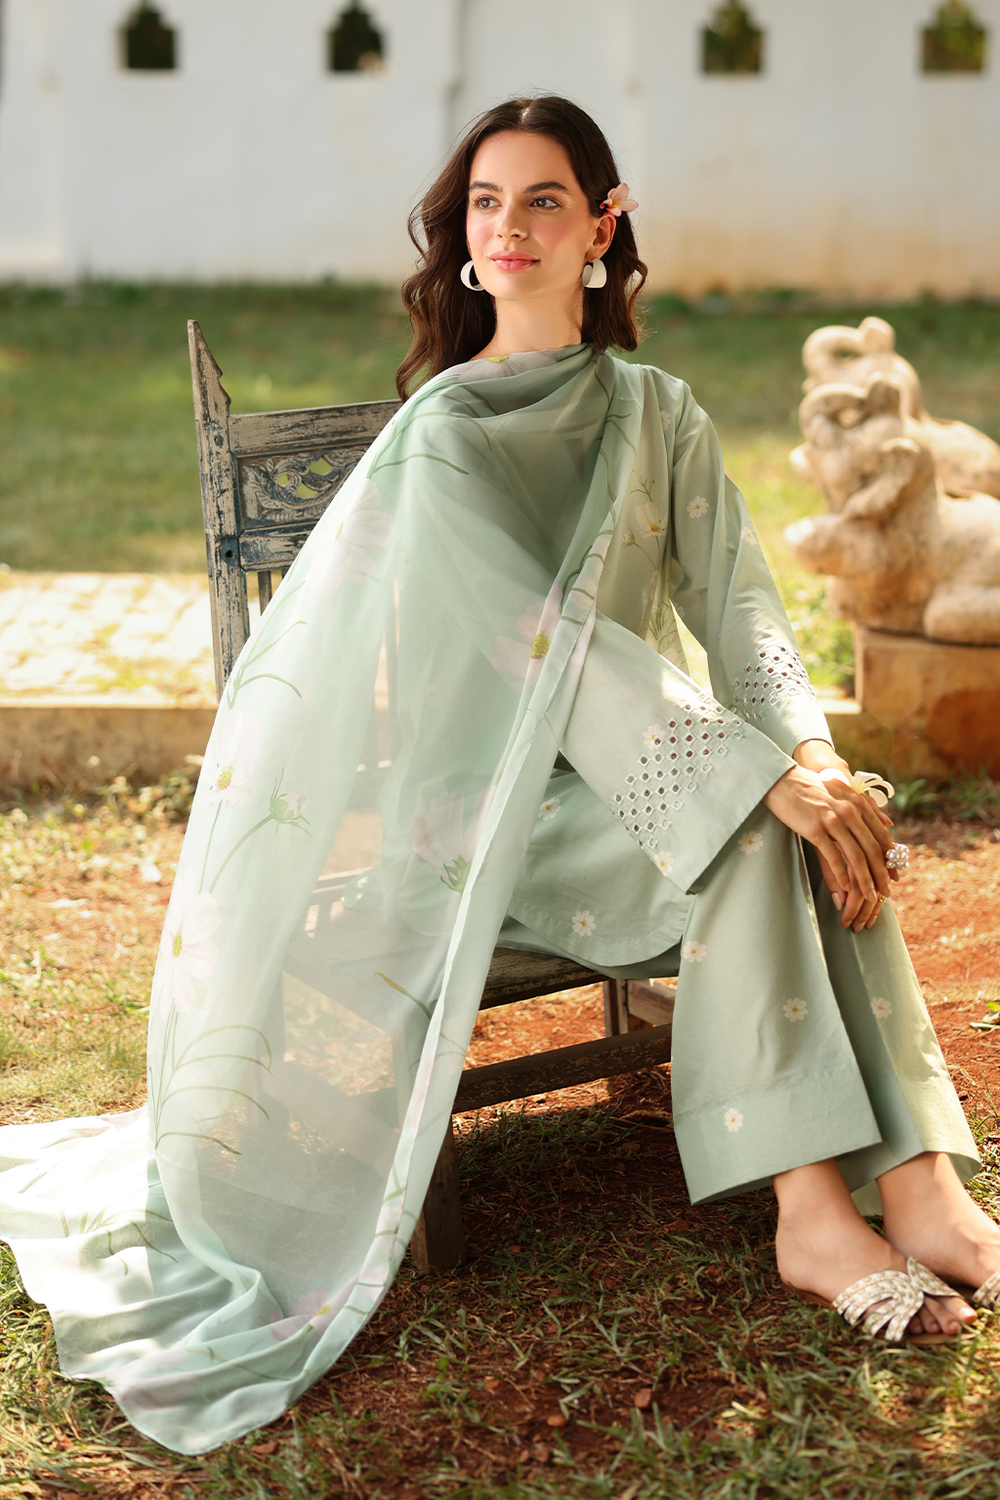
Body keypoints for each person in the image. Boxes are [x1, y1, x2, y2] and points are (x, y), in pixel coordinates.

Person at [1, 95, 998, 1457]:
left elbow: (742, 605)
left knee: (823, 816)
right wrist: (762, 782)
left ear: (603, 224)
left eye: (543, 199)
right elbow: (552, 646)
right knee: (768, 824)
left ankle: (924, 1191)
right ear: (462, 239)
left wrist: (813, 756)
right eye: (486, 202)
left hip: (643, 787)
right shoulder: (445, 436)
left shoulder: (657, 410)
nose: (510, 226)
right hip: (492, 813)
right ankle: (818, 1216)